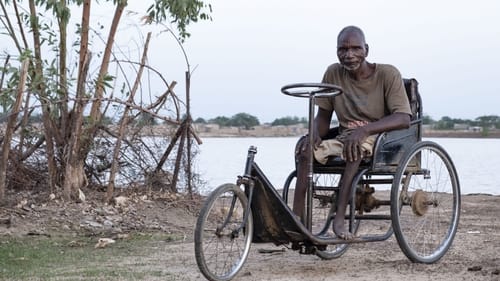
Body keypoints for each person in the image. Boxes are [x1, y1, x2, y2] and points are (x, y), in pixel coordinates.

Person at [292, 26, 412, 240]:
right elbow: (323, 117)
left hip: (377, 138)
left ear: (366, 49)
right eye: (343, 49)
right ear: (337, 51)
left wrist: (364, 130)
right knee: (304, 152)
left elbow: (403, 118)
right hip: (344, 136)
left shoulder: (387, 74)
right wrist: (312, 135)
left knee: (353, 149)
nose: (349, 55)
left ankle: (339, 219)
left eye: (355, 48)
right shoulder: (333, 72)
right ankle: (296, 220)